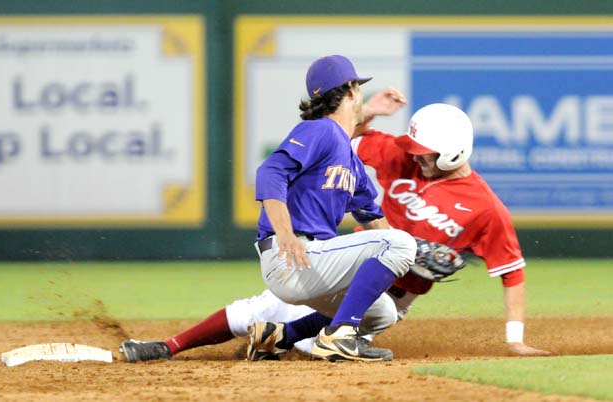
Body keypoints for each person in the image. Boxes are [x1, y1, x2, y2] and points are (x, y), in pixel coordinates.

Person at [119, 88, 550, 364]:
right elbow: (342, 141)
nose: (415, 156)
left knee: (362, 318)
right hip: (345, 266)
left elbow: (511, 272)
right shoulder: (399, 157)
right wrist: (369, 113)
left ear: (454, 153)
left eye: (426, 152)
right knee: (267, 305)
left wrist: (514, 339)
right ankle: (174, 346)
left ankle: (287, 336)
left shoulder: (487, 209)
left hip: (390, 301)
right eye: (415, 148)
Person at [121, 55, 417, 363]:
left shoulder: (349, 159)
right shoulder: (321, 131)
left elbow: (375, 223)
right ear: (352, 89)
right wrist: (285, 232)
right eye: (358, 87)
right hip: (293, 254)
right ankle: (339, 336)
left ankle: (279, 336)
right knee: (402, 242)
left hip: (311, 267)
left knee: (382, 313)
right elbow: (271, 172)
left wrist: (411, 259)